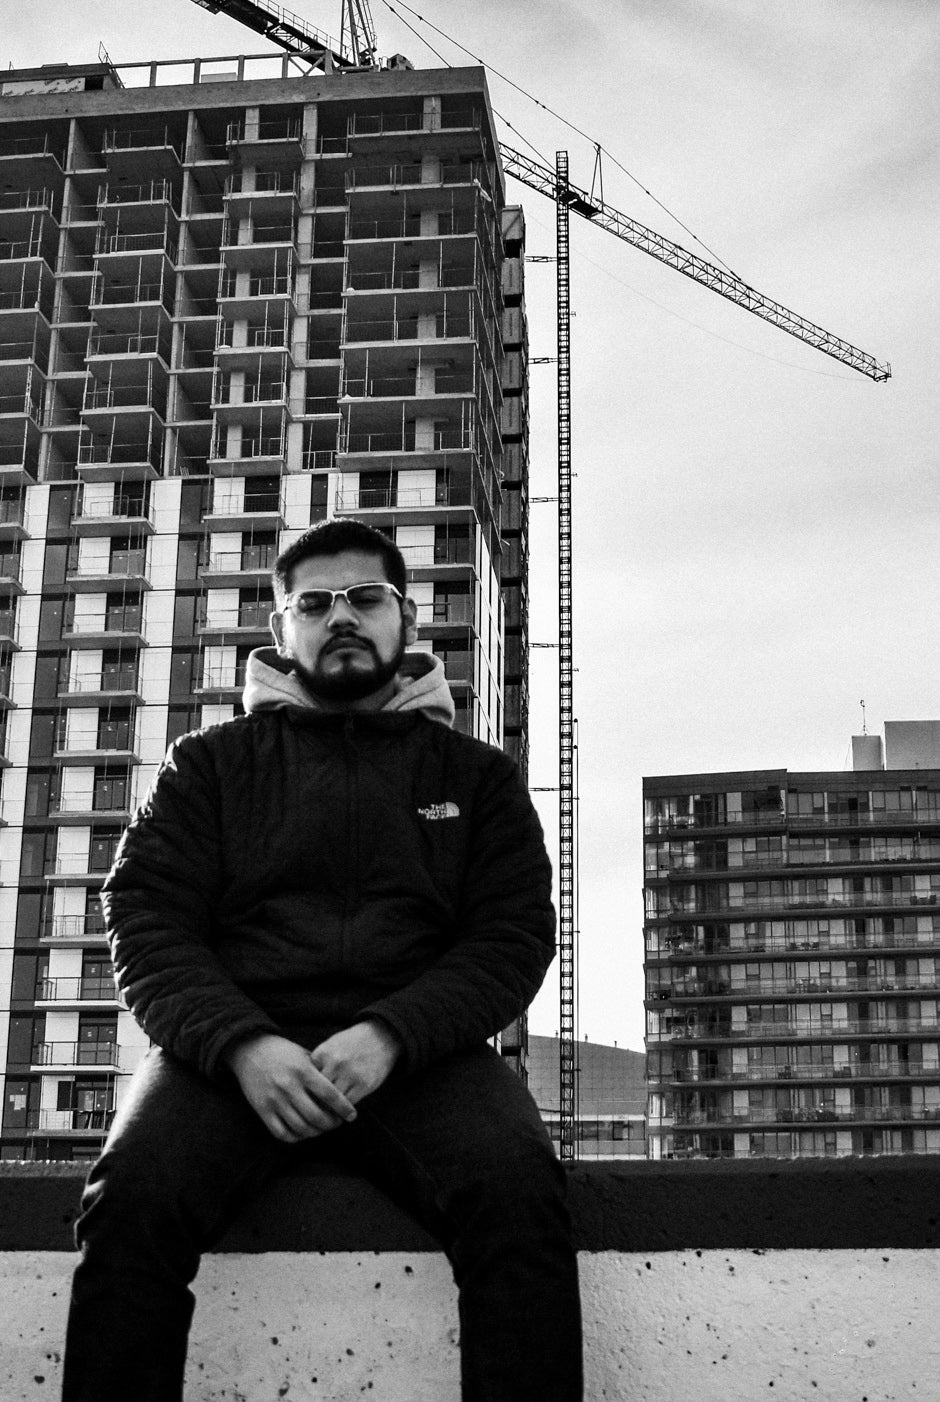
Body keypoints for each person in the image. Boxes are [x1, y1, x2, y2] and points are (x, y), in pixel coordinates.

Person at [62, 517, 583, 1402]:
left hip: (423, 1059)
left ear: (406, 621)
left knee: (525, 1200)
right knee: (129, 1207)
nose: (340, 617)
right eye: (314, 602)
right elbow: (145, 916)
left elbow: (512, 935)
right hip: (231, 1056)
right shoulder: (209, 766)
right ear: (282, 629)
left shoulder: (478, 778)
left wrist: (389, 1034)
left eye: (365, 598)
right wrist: (239, 1045)